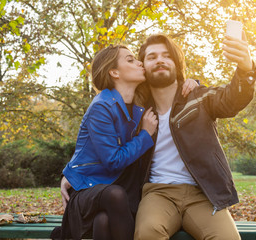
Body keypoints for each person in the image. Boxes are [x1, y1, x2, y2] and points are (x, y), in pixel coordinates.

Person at [53, 44, 198, 240]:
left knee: (103, 221)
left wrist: (192, 83)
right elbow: (112, 160)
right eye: (130, 60)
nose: (139, 62)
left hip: (124, 187)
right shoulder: (101, 106)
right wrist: (145, 135)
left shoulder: (140, 101)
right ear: (114, 72)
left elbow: (168, 85)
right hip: (92, 189)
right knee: (115, 195)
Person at [133, 32, 256, 240]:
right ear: (143, 66)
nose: (160, 60)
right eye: (152, 57)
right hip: (158, 193)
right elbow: (100, 138)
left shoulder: (198, 97)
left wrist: (245, 68)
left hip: (202, 194)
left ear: (177, 63)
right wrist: (71, 174)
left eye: (166, 55)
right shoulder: (136, 110)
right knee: (148, 232)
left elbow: (232, 99)